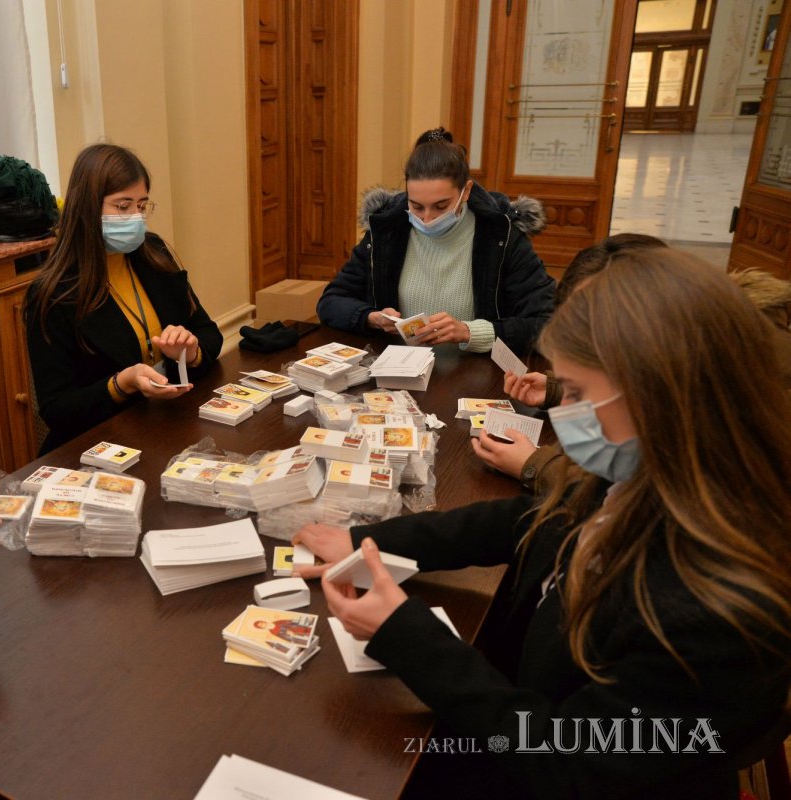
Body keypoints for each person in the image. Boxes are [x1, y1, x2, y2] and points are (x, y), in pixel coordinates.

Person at [294, 249, 791, 798]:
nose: (564, 411)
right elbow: (528, 519)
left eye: (576, 393)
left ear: (660, 398)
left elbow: (566, 761)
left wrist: (406, 635)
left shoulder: (710, 612)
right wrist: (366, 538)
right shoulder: (644, 473)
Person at [474, 235, 791, 495]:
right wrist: (560, 390)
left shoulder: (730, 403)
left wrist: (538, 464)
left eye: (599, 326)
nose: (587, 342)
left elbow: (651, 491)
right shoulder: (696, 351)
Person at [25, 143, 223, 453]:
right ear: (88, 207)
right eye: (123, 206)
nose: (135, 218)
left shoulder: (153, 253)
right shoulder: (52, 294)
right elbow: (58, 409)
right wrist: (121, 383)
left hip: (167, 423)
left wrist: (191, 350)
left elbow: (209, 332)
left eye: (142, 206)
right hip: (100, 443)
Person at [317, 127, 554, 354]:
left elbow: (548, 324)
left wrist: (470, 332)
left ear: (466, 191)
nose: (427, 219)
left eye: (441, 206)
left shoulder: (501, 239)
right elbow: (331, 301)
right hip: (397, 373)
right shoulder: (385, 233)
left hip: (476, 377)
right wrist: (371, 318)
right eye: (416, 206)